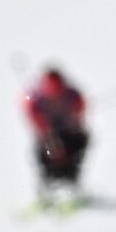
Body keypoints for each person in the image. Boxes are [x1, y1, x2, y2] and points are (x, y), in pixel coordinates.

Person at [22, 66, 91, 205]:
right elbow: (33, 116)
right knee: (47, 153)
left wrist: (73, 122)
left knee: (76, 148)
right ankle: (47, 187)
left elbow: (80, 111)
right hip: (47, 136)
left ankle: (72, 184)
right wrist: (48, 135)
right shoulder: (35, 99)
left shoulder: (73, 95)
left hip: (70, 134)